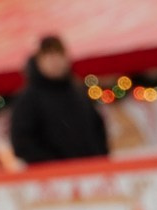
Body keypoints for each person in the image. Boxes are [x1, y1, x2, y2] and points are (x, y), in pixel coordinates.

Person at [8, 33, 109, 166]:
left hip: (89, 174)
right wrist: (54, 165)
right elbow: (22, 143)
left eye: (58, 55)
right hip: (52, 178)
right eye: (48, 56)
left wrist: (99, 160)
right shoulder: (28, 99)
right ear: (38, 61)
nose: (55, 61)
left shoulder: (79, 92)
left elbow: (97, 130)